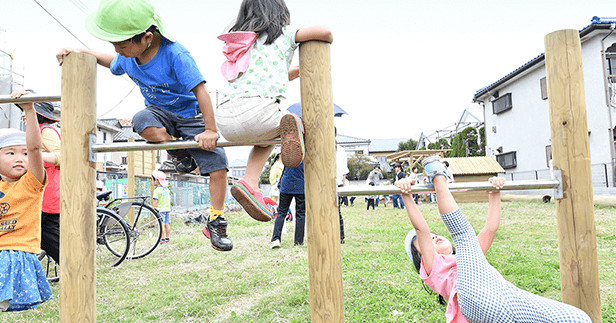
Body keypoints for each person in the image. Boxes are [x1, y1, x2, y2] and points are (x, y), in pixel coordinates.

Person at [56, 0, 232, 252]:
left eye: (122, 44)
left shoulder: (174, 54)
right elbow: (110, 62)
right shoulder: (128, 56)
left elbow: (201, 91)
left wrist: (211, 130)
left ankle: (216, 219)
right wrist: (79, 52)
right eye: (114, 44)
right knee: (141, 121)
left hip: (191, 114)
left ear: (147, 37)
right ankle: (178, 152)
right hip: (159, 114)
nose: (117, 49)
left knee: (217, 165)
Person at [398, 155, 591, 323]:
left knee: (577, 319)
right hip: (477, 302)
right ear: (421, 255)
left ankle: (439, 176)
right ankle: (439, 177)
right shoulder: (435, 266)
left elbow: (490, 229)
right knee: (464, 235)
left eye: (436, 235)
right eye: (428, 242)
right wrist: (406, 196)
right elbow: (421, 229)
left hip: (506, 298)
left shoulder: (471, 259)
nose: (435, 237)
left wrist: (494, 194)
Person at [216, 0, 333, 223]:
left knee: (267, 136)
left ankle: (250, 183)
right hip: (259, 112)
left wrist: (287, 73)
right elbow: (325, 32)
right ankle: (292, 127)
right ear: (280, 12)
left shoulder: (241, 42)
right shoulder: (284, 34)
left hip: (225, 118)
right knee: (291, 124)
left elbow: (256, 76)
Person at [0, 90, 53, 311]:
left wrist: (30, 111)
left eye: (23, 154)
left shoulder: (31, 184)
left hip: (15, 254)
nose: (20, 159)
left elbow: (34, 148)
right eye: (10, 153)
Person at [25, 99, 61, 265]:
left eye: (28, 112)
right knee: (46, 239)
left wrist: (29, 157)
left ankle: (77, 270)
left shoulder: (47, 131)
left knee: (48, 240)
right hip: (44, 194)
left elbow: (59, 156)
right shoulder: (40, 131)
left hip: (47, 194)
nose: (24, 116)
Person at [270, 162, 305, 248]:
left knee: (281, 212)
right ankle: (298, 241)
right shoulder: (305, 153)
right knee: (300, 214)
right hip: (301, 185)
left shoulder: (288, 150)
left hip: (286, 184)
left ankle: (275, 239)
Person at [151, 170, 171, 244]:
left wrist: (154, 209)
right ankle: (167, 238)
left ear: (156, 180)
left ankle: (162, 239)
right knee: (167, 224)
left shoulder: (157, 190)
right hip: (167, 209)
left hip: (160, 210)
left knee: (161, 224)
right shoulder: (166, 189)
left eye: (152, 179)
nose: (152, 181)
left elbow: (155, 201)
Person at [335, 129, 347, 243]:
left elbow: (344, 171)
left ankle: (341, 236)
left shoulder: (341, 150)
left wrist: (343, 186)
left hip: (336, 182)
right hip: (327, 182)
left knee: (337, 210)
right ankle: (338, 235)